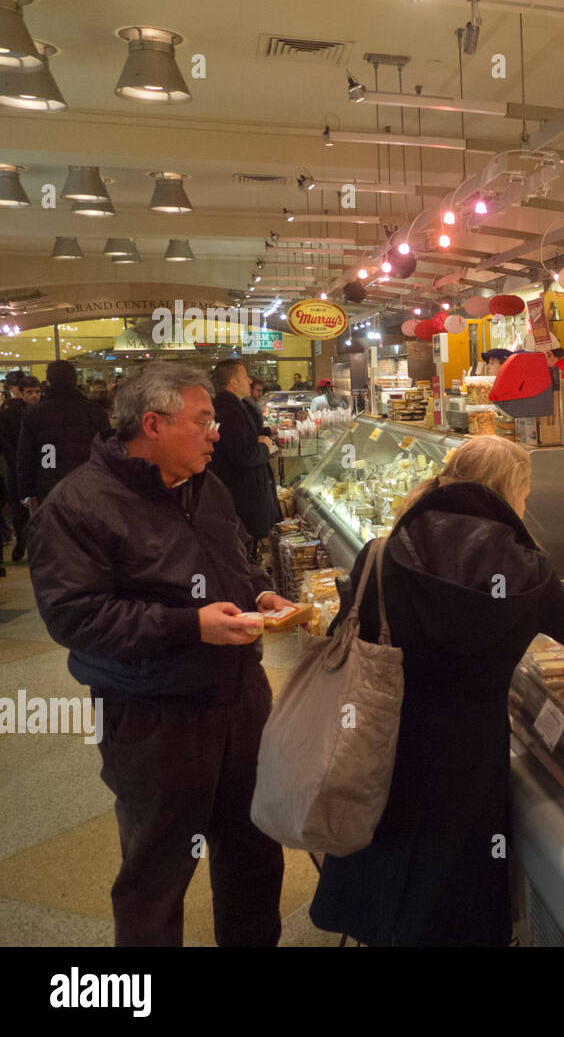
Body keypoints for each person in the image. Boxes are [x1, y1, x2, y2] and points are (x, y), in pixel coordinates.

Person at [309, 435, 564, 946]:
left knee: (386, 866)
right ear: (510, 493)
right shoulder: (527, 569)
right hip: (468, 761)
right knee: (456, 891)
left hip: (381, 743)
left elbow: (339, 637)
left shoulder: (382, 552)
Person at [26, 362, 294, 946]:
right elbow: (75, 617)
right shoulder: (78, 506)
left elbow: (234, 561)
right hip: (154, 717)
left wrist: (257, 591)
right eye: (203, 421)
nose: (216, 433)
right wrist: (188, 626)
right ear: (152, 423)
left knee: (253, 852)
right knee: (157, 874)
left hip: (240, 701)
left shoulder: (205, 484)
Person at [16, 359, 111, 511]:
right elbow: (107, 450)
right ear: (75, 379)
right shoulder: (94, 410)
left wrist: (26, 491)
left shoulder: (34, 413)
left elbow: (26, 455)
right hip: (88, 483)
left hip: (49, 485)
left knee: (55, 530)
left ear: (49, 381)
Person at [210, 360, 280, 548]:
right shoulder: (230, 409)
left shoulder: (234, 405)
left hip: (241, 497)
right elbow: (244, 455)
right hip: (242, 500)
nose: (249, 380)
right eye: (245, 376)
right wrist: (264, 446)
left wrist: (261, 436)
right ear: (233, 381)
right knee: (245, 552)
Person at [0, 374, 39, 563]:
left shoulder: (43, 412)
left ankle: (33, 543)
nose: (34, 396)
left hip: (39, 466)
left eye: (37, 392)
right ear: (21, 393)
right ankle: (22, 540)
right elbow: (4, 440)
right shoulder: (8, 414)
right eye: (30, 392)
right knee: (19, 508)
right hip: (16, 466)